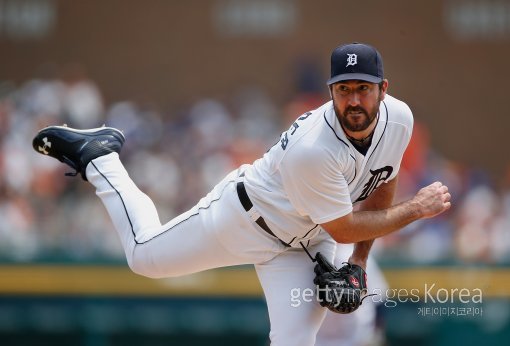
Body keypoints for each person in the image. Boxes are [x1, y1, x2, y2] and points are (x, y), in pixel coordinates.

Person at [32, 42, 451, 346]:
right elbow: (344, 228)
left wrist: (359, 264)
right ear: (330, 91)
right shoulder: (314, 148)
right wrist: (415, 210)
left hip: (305, 243)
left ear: (383, 88)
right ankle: (101, 160)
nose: (354, 99)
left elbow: (382, 180)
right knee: (143, 257)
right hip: (246, 218)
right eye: (344, 90)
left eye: (363, 88)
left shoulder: (399, 119)